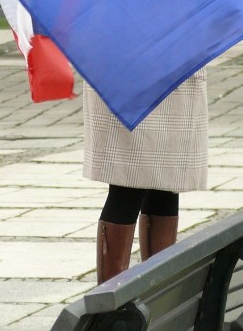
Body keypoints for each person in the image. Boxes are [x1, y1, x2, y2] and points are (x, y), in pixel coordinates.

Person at [84, 69, 208, 284]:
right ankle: (110, 301)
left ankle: (158, 291)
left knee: (166, 181)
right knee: (128, 183)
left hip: (176, 67)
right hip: (127, 68)